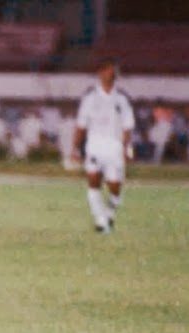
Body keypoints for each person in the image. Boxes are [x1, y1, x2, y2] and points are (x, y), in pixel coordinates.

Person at [71, 59, 135, 233]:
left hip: (114, 147)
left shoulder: (122, 99)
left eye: (112, 70)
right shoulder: (90, 98)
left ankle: (109, 214)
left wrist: (127, 149)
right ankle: (100, 220)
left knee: (115, 187)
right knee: (93, 180)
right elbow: (81, 125)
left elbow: (127, 127)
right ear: (100, 73)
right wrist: (75, 148)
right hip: (95, 146)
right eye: (106, 70)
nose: (109, 73)